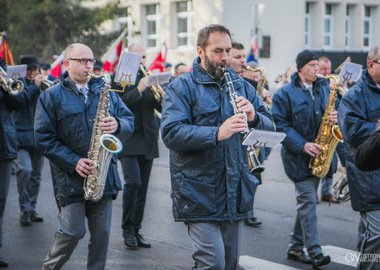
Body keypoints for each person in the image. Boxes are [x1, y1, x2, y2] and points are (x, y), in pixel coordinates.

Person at [161, 24, 274, 269]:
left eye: (228, 50)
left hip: (235, 189)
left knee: (230, 264)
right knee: (212, 263)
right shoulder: (181, 87)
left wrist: (255, 116)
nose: (224, 58)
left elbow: (270, 128)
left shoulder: (243, 85)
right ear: (200, 51)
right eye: (217, 51)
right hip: (197, 191)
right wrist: (217, 133)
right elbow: (171, 133)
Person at [34, 43, 134, 269]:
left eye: (91, 60)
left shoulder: (106, 91)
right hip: (70, 177)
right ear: (67, 63)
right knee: (73, 231)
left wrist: (118, 124)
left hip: (103, 175)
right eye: (82, 61)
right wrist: (73, 161)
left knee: (102, 236)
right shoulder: (51, 96)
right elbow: (43, 139)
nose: (89, 65)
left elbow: (129, 121)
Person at [271, 49, 333, 268]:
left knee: (305, 204)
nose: (317, 69)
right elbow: (279, 124)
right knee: (307, 202)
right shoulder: (283, 93)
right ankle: (315, 251)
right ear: (300, 69)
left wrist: (334, 115)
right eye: (312, 66)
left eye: (318, 65)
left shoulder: (324, 86)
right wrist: (303, 144)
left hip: (320, 154)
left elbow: (329, 114)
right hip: (297, 157)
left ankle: (295, 247)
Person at [112, 43, 162, 250]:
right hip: (129, 138)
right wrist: (140, 88)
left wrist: (158, 91)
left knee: (143, 188)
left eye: (143, 57)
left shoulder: (149, 77)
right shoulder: (121, 78)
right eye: (137, 56)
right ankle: (126, 229)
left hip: (148, 139)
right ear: (128, 58)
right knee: (133, 182)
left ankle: (136, 229)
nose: (141, 60)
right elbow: (118, 104)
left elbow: (159, 106)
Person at [338, 45, 380, 270]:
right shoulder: (355, 95)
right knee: (377, 236)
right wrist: (377, 126)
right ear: (371, 65)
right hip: (368, 176)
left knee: (371, 234)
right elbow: (351, 133)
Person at [0, 56, 29, 268]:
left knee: (0, 202)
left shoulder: (4, 66)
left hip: (4, 145)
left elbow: (20, 101)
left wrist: (6, 85)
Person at [230, 41, 262, 227]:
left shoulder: (249, 86)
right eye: (238, 57)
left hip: (250, 144)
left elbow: (267, 119)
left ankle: (247, 211)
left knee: (251, 181)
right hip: (230, 146)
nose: (243, 61)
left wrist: (254, 116)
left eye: (244, 56)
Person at [14, 55, 45, 226]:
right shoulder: (17, 84)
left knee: (36, 176)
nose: (33, 72)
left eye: (35, 69)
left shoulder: (40, 84)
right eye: (29, 69)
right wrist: (36, 87)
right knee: (24, 170)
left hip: (38, 136)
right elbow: (20, 101)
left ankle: (31, 208)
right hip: (21, 137)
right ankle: (24, 209)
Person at [316, 56, 344, 204]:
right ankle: (313, 192)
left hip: (331, 129)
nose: (327, 72)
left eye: (328, 69)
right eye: (323, 69)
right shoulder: (317, 85)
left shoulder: (332, 85)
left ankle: (326, 192)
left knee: (331, 163)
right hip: (318, 130)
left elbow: (339, 105)